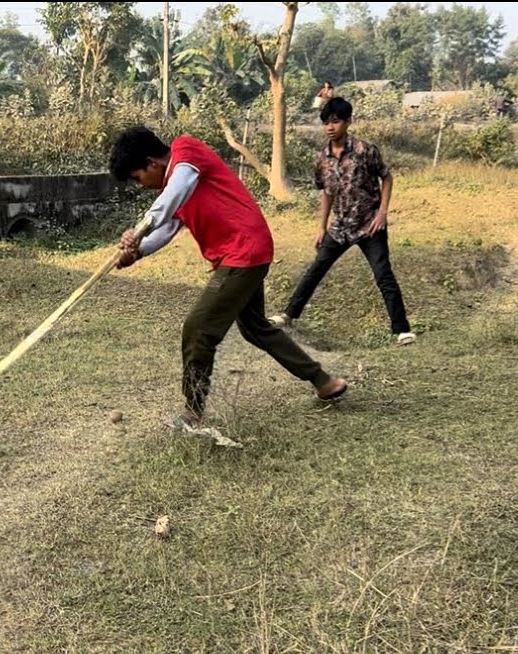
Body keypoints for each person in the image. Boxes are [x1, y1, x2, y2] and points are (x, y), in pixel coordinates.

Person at [109, 126, 348, 432]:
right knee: (256, 328)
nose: (141, 186)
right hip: (245, 251)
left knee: (198, 328)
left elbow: (177, 190)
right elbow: (168, 228)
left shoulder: (186, 152)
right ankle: (324, 382)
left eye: (137, 178)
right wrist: (138, 251)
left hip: (242, 252)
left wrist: (140, 227)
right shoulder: (171, 188)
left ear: (152, 162)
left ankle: (192, 413)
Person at [270, 97, 416, 346]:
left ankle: (402, 330)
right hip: (340, 227)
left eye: (335, 121)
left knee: (383, 275)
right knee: (315, 270)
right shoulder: (322, 159)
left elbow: (387, 177)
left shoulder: (365, 150)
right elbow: (327, 192)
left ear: (348, 122)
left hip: (370, 225)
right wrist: (321, 226)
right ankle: (289, 315)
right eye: (326, 122)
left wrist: (382, 213)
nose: (330, 127)